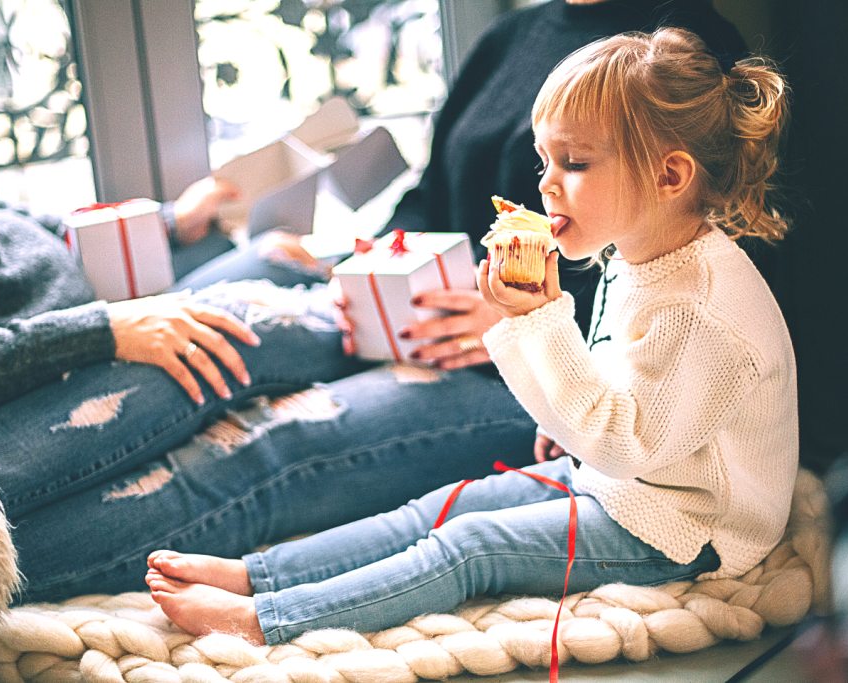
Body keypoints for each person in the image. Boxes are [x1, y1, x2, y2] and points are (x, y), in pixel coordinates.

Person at [0, 0, 750, 604]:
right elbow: (431, 201)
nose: (557, 181)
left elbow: (687, 266)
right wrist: (368, 257)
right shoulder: (511, 38)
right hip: (436, 310)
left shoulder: (687, 51)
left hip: (538, 367)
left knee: (276, 431)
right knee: (249, 311)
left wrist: (526, 317)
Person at [142, 27, 798, 646]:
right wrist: (566, 418)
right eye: (545, 159)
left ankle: (267, 617)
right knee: (436, 508)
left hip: (686, 526)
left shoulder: (697, 308)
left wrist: (536, 318)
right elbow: (614, 375)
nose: (545, 183)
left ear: (669, 177)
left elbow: (627, 446)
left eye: (573, 162)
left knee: (471, 548)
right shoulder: (639, 251)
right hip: (628, 479)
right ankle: (262, 574)